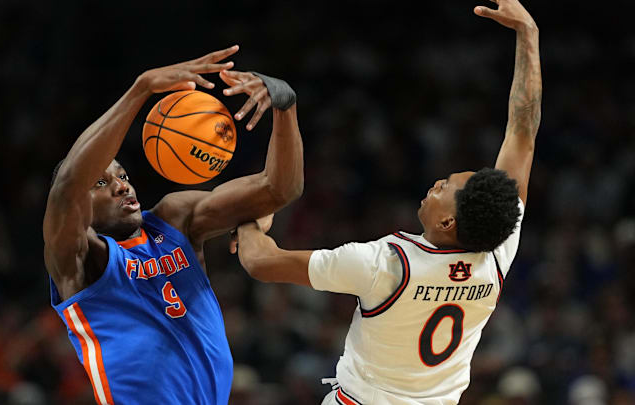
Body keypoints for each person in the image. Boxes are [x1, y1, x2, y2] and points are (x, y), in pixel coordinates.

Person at [232, 1, 541, 404]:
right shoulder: (498, 249)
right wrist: (529, 35)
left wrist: (249, 220)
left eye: (444, 187)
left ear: (448, 222)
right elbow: (523, 131)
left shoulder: (386, 264)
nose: (435, 184)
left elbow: (260, 262)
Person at [43, 45, 303, 405]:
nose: (122, 185)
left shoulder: (174, 218)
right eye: (101, 183)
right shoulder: (80, 260)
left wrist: (284, 106)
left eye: (123, 175)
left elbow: (280, 188)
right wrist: (141, 90)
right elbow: (68, 186)